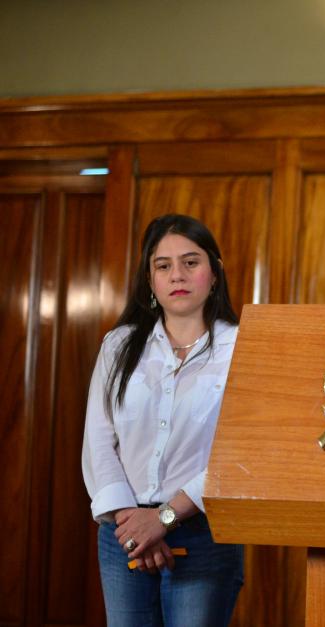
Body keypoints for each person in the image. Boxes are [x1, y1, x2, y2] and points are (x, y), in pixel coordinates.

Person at [82, 214, 243, 626]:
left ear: (214, 273)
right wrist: (133, 524)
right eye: (163, 265)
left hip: (204, 533)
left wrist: (165, 518)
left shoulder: (241, 347)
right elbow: (98, 440)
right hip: (124, 535)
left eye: (191, 262)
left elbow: (241, 453)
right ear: (149, 278)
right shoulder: (119, 345)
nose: (178, 275)